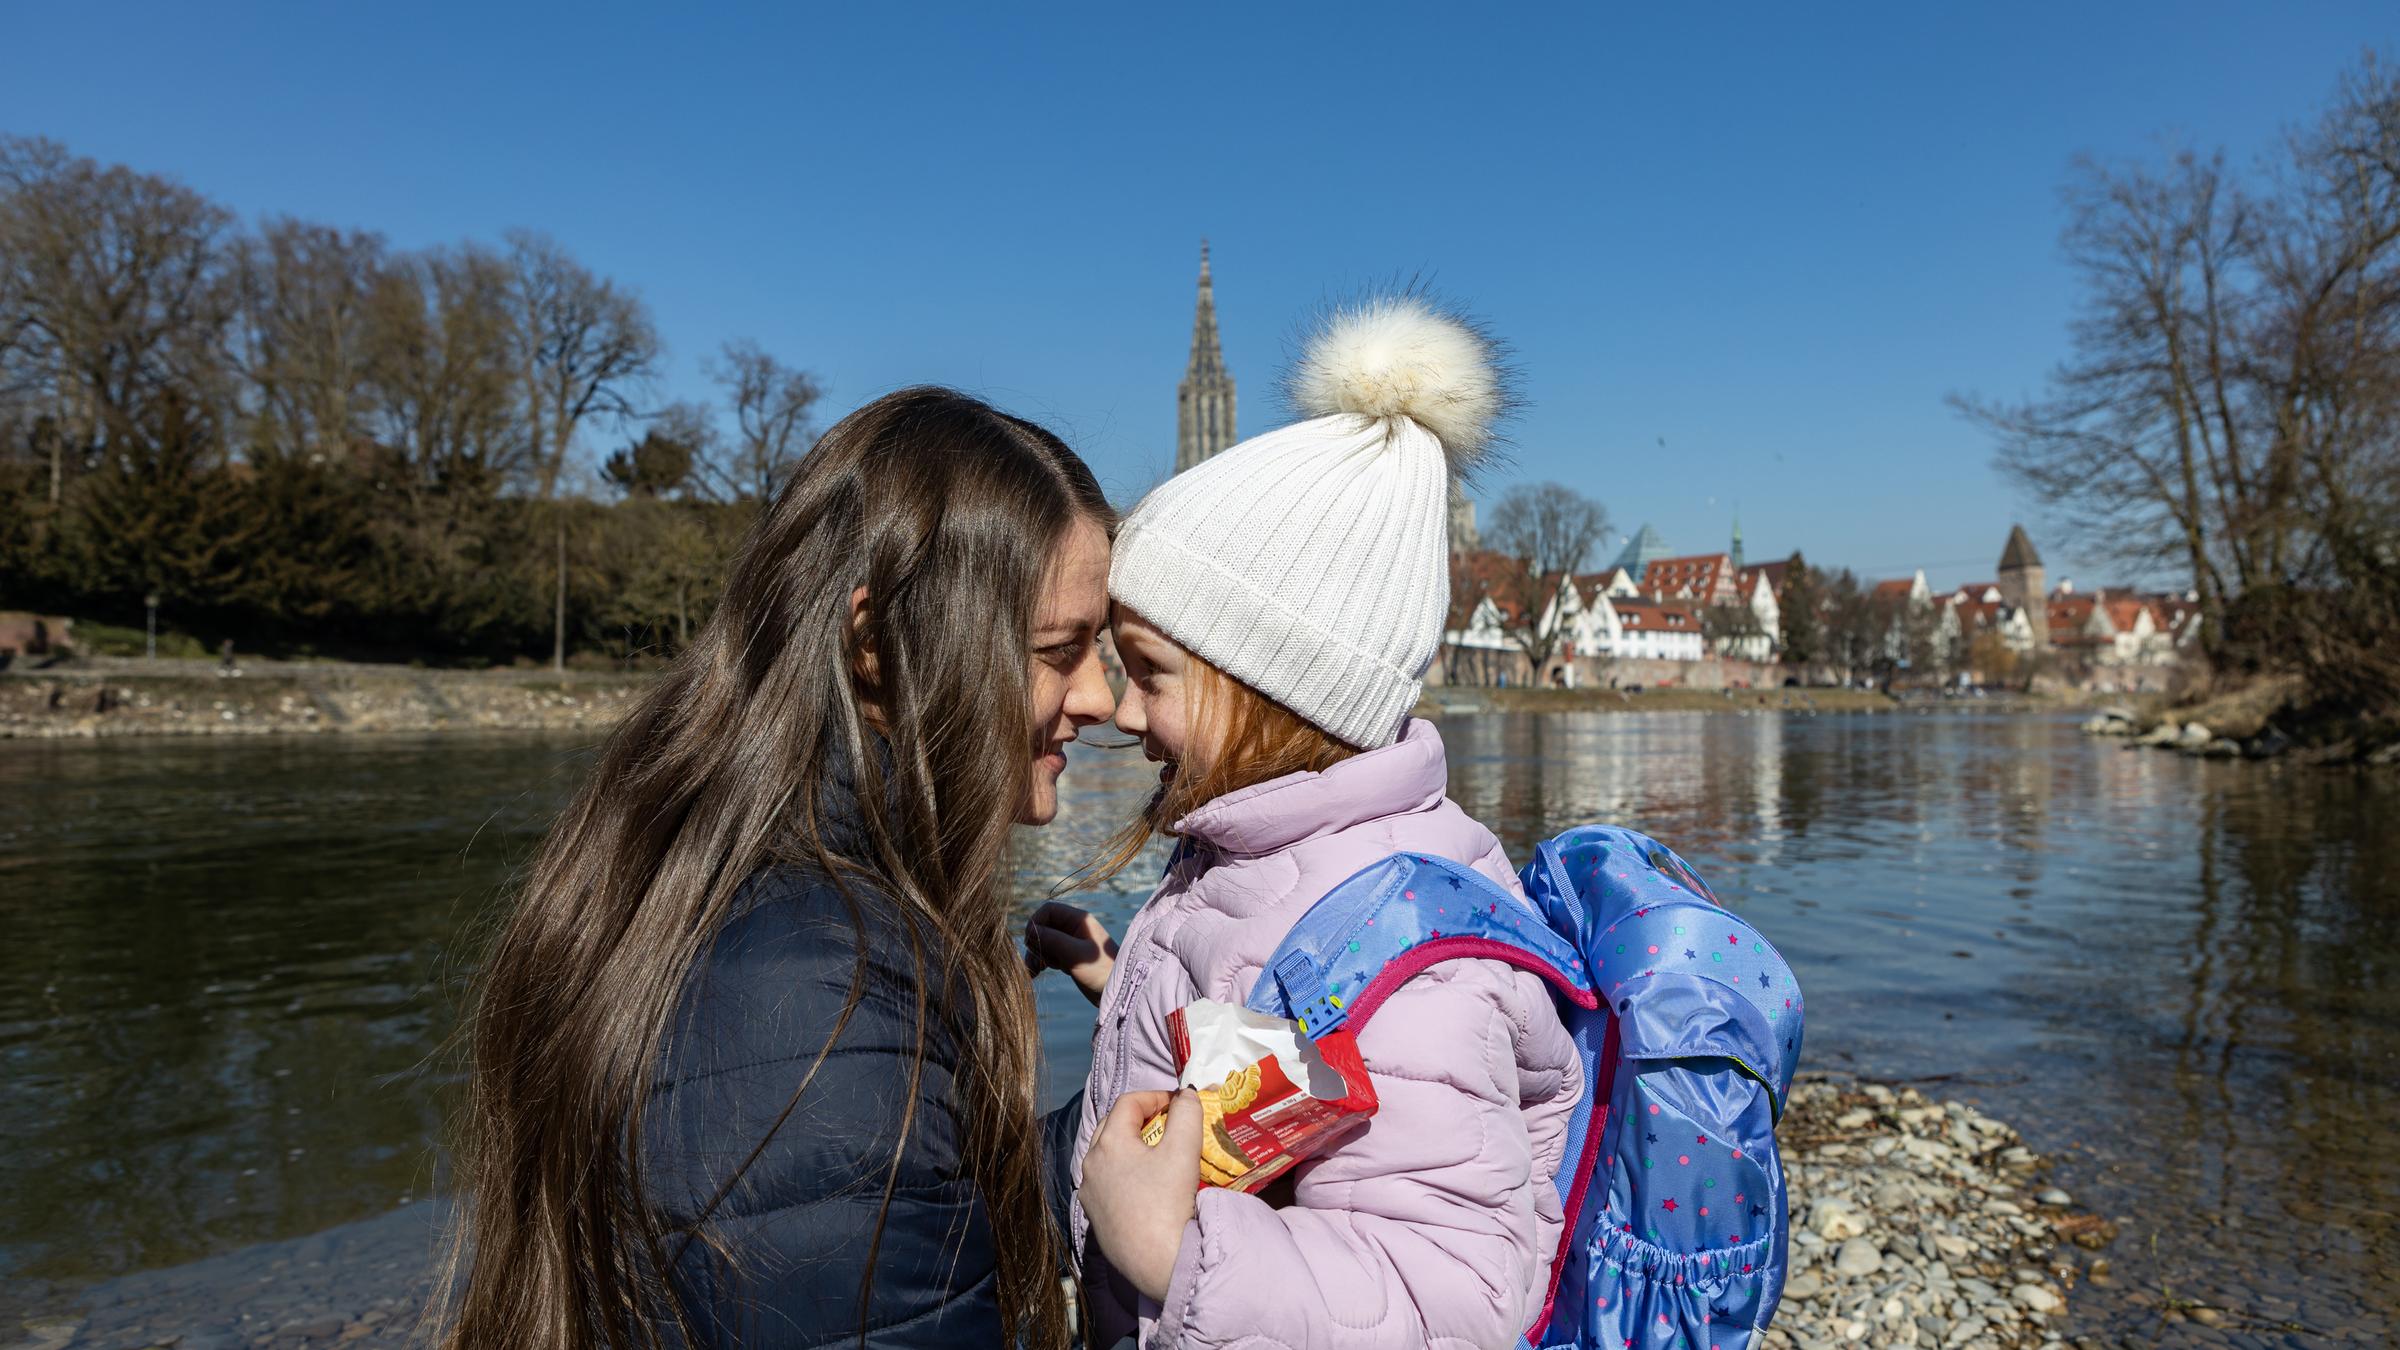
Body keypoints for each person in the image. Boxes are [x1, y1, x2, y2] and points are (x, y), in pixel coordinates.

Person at [446, 387, 1115, 1349]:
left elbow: (904, 1228)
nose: (1099, 698)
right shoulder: (814, 992)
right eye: (1060, 650)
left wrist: (1131, 1139)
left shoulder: (743, 883)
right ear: (875, 642)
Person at [1029, 296, 1583, 1349]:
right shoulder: (1264, 850)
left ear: (1279, 690)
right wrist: (1137, 995)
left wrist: (1178, 1258)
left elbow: (1449, 1297)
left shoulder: (1408, 969)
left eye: (1149, 672)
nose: (1120, 710)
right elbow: (1283, 1050)